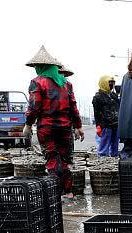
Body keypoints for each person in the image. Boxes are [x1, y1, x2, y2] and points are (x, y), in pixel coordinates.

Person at [22, 46, 83, 196]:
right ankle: (67, 192)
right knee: (65, 160)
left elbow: (34, 106)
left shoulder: (37, 82)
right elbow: (73, 107)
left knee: (52, 159)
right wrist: (78, 126)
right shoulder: (66, 84)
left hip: (47, 128)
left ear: (40, 67)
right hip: (65, 128)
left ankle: (56, 192)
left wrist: (28, 125)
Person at [93, 75, 120, 157]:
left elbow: (119, 107)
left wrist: (118, 94)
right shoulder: (98, 97)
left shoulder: (113, 95)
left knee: (115, 144)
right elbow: (96, 113)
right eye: (109, 82)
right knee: (104, 145)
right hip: (105, 125)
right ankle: (103, 159)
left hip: (116, 124)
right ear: (104, 83)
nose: (111, 85)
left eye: (112, 83)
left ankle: (114, 158)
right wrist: (98, 125)